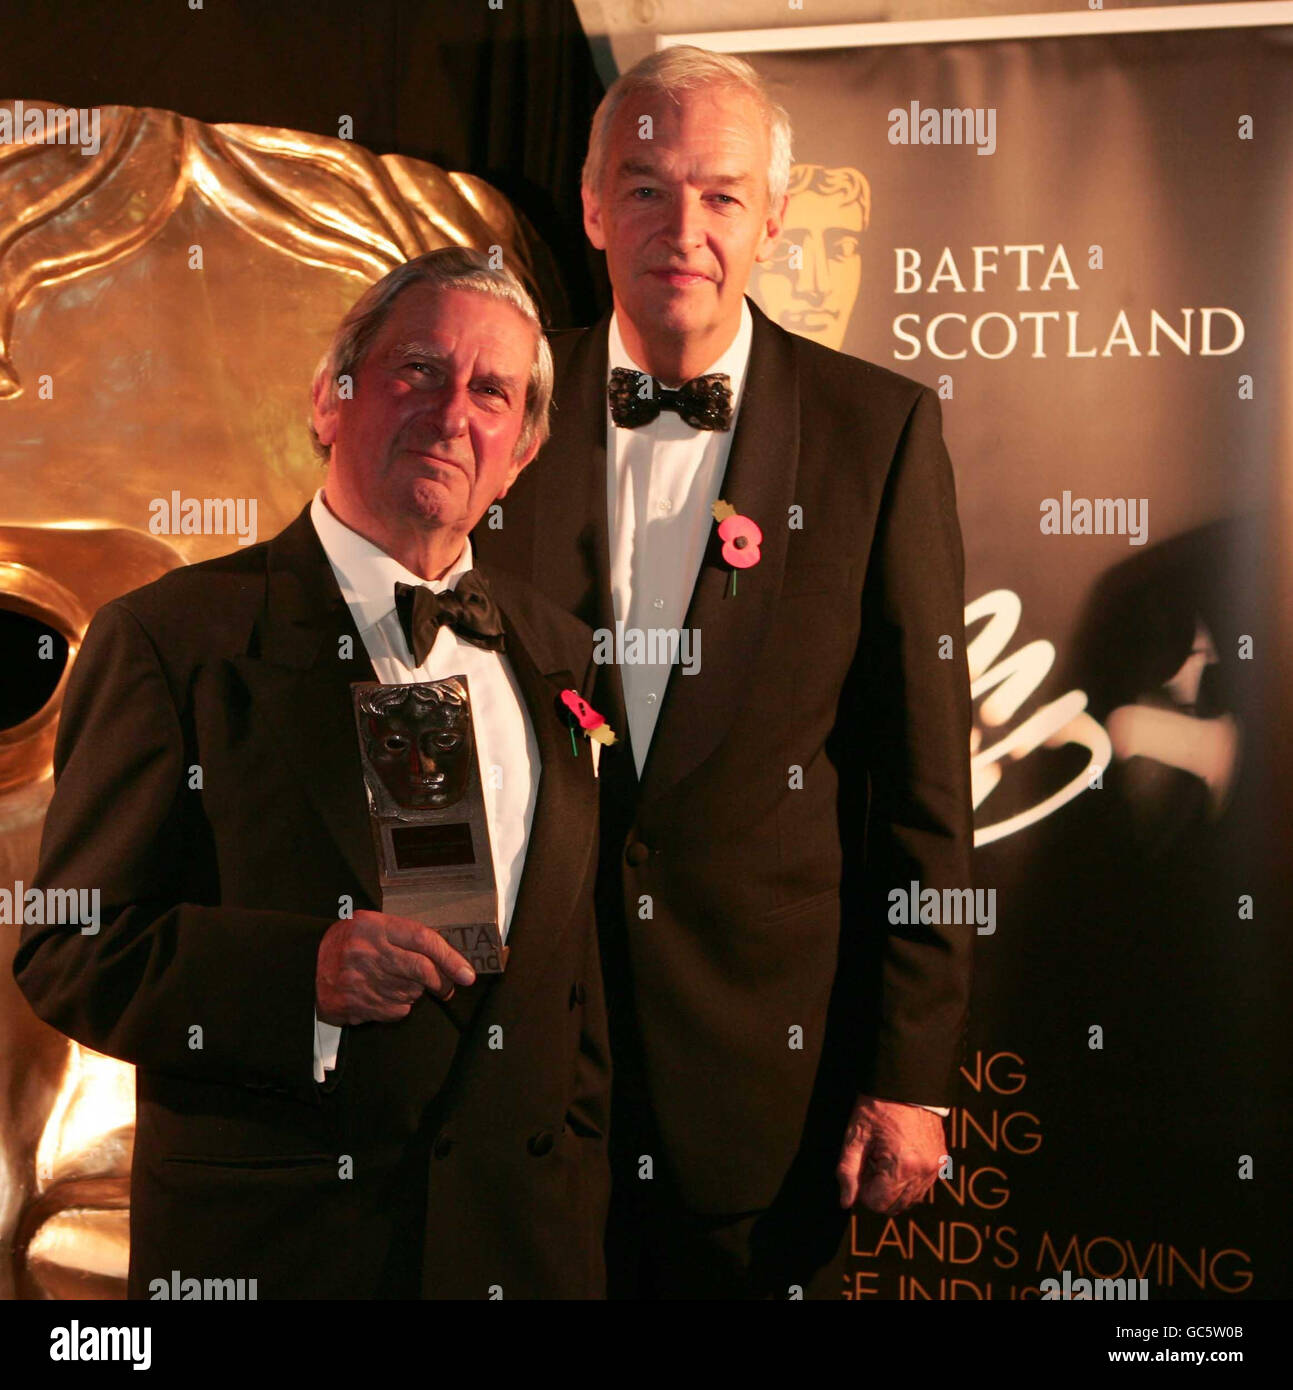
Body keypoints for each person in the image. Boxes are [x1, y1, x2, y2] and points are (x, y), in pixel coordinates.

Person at [13, 247, 611, 1300]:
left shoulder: (560, 649)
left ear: (521, 450)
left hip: (525, 1256)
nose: (449, 411)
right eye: (417, 370)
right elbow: (70, 944)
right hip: (278, 1254)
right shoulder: (172, 637)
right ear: (330, 400)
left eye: (491, 391)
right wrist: (305, 977)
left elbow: (577, 976)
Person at [473, 47, 975, 1299]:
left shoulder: (879, 431)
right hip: (513, 1082)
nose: (682, 228)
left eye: (720, 193)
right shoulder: (491, 417)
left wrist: (910, 1071)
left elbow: (923, 789)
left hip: (762, 1089)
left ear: (773, 217)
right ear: (590, 207)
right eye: (643, 188)